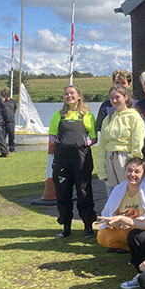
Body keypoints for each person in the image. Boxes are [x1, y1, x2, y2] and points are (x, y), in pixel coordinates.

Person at [48, 85, 97, 239]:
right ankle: (66, 226)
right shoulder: (58, 115)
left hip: (81, 158)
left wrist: (85, 143)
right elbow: (51, 135)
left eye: (72, 93)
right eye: (66, 94)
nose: (69, 96)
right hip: (62, 160)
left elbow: (94, 137)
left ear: (78, 96)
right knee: (63, 192)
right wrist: (60, 143)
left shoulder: (87, 115)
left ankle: (88, 226)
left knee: (84, 192)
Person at [97, 157, 145, 252]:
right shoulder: (118, 189)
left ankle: (139, 247)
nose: (132, 174)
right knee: (102, 236)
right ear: (125, 171)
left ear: (144, 174)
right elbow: (110, 212)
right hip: (124, 228)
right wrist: (113, 222)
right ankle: (129, 247)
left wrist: (131, 222)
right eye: (129, 170)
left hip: (144, 228)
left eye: (137, 172)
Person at [95, 84, 145, 196]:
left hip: (126, 159)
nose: (114, 100)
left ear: (125, 97)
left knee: (129, 196)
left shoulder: (134, 117)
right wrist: (101, 168)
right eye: (111, 98)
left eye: (117, 97)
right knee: (113, 197)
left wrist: (134, 165)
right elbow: (102, 145)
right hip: (110, 159)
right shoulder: (107, 119)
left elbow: (137, 143)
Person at [95, 69, 136, 136]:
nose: (120, 85)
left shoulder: (137, 105)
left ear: (129, 85)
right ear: (113, 84)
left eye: (123, 83)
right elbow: (101, 129)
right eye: (117, 82)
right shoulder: (105, 106)